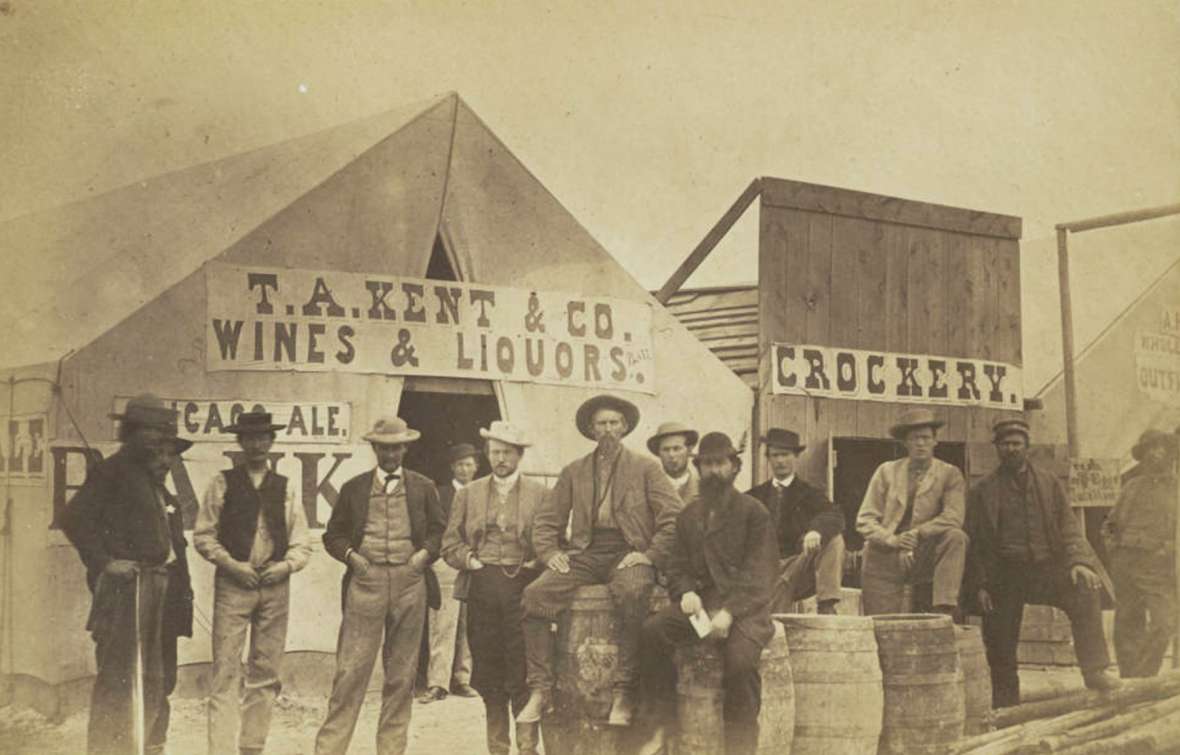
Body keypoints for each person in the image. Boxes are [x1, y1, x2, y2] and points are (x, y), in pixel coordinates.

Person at [518, 394, 682, 727]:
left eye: (613, 423)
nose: (607, 430)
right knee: (535, 596)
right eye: (601, 424)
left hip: (629, 550)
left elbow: (673, 517)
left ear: (624, 428)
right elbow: (547, 520)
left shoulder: (646, 468)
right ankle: (541, 689)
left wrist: (649, 555)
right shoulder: (574, 471)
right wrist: (551, 554)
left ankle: (624, 689)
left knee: (634, 591)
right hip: (587, 551)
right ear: (591, 430)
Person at [61, 394, 195, 755]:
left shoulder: (154, 476)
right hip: (128, 593)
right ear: (131, 432)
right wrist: (105, 562)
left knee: (156, 680)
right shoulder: (112, 471)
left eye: (165, 436)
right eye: (152, 432)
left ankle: (148, 746)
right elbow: (74, 519)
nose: (159, 444)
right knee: (120, 681)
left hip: (160, 593)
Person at [315, 416, 447, 755]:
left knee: (401, 677)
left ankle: (391, 751)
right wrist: (351, 557)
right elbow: (333, 534)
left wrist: (422, 558)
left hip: (409, 583)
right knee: (350, 672)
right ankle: (329, 751)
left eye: (396, 448)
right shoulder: (354, 488)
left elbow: (439, 531)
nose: (391, 454)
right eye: (384, 448)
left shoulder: (423, 486)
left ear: (405, 448)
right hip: (366, 583)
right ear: (374, 448)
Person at [640, 432, 778, 755]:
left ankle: (740, 749)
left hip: (744, 610)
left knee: (740, 665)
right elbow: (676, 564)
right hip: (701, 605)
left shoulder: (754, 512)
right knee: (651, 633)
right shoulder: (689, 515)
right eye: (707, 464)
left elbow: (761, 574)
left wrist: (729, 613)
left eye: (720, 463)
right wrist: (686, 591)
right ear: (699, 468)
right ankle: (664, 730)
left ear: (734, 467)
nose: (714, 471)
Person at [966, 418, 1120, 706]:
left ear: (1027, 447)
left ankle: (1095, 670)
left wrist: (1078, 563)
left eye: (1016, 444)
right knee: (999, 641)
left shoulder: (1049, 482)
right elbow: (974, 543)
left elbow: (1069, 526)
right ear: (997, 448)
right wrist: (980, 585)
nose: (1011, 449)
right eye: (1005, 445)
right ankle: (1006, 706)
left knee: (1085, 592)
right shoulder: (982, 490)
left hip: (1045, 569)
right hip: (1004, 574)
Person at [193, 411, 314, 755]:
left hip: (275, 587)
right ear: (240, 442)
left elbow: (302, 541)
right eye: (250, 437)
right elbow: (204, 536)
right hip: (233, 587)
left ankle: (252, 747)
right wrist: (232, 565)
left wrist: (286, 566)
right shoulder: (222, 482)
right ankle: (220, 751)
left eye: (263, 437)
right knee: (226, 672)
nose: (257, 444)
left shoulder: (286, 486)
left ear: (272, 442)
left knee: (266, 672)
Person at [442, 422, 546, 755]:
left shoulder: (540, 493)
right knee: (488, 671)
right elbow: (449, 543)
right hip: (482, 584)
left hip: (524, 588)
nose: (499, 459)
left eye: (507, 452)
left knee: (522, 670)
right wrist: (470, 561)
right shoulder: (468, 494)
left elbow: (554, 541)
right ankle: (497, 748)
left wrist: (538, 562)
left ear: (520, 455)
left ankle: (527, 747)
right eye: (494, 452)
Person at [856, 408, 967, 617]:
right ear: (905, 443)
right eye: (914, 439)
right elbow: (865, 519)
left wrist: (917, 534)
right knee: (882, 625)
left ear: (936, 441)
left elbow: (954, 517)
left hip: (925, 553)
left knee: (956, 537)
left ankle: (944, 607)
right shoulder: (886, 471)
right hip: (885, 555)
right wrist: (892, 540)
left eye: (926, 438)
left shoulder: (949, 474)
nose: (921, 444)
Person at [1104, 429, 1178, 678]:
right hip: (1126, 563)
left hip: (1159, 567)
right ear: (1143, 455)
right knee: (1126, 624)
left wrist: (1167, 550)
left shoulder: (1177, 490)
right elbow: (1111, 523)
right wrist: (1113, 548)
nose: (1156, 454)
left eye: (1161, 448)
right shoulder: (1132, 487)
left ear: (1171, 454)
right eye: (1150, 448)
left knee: (1164, 623)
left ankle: (1143, 678)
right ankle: (1130, 681)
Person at [746, 428, 845, 615]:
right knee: (773, 624)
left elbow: (835, 515)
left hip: (797, 568)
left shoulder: (809, 493)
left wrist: (816, 531)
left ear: (796, 457)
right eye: (775, 455)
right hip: (763, 572)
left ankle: (826, 604)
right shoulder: (754, 496)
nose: (780, 461)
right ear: (768, 458)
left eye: (785, 454)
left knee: (834, 540)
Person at [419, 443, 478, 703]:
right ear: (452, 468)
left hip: (476, 562)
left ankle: (462, 679)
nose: (465, 469)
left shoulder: (482, 493)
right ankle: (437, 683)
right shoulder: (439, 493)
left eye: (469, 464)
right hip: (446, 563)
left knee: (470, 623)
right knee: (443, 622)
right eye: (460, 465)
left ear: (476, 467)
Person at [647, 421, 700, 503]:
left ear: (688, 450)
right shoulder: (649, 488)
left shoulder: (702, 486)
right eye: (666, 449)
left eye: (677, 448)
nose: (671, 455)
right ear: (658, 453)